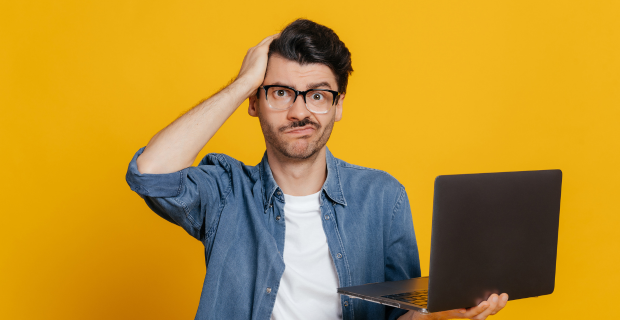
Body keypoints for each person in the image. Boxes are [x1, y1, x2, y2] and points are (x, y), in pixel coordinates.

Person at [125, 19, 508, 320]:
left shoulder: (382, 197)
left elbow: (397, 319)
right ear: (254, 102)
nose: (299, 111)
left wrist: (438, 314)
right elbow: (150, 172)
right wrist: (242, 82)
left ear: (338, 105)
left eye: (318, 95)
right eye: (280, 92)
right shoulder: (225, 191)